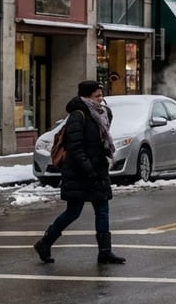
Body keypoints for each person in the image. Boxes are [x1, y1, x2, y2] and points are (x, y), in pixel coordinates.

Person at [33, 81, 124, 264]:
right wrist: (87, 168)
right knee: (73, 211)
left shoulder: (100, 114)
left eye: (101, 95)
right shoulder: (78, 115)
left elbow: (101, 139)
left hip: (97, 169)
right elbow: (75, 146)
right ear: (86, 97)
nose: (101, 99)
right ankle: (45, 242)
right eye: (97, 96)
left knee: (103, 208)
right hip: (79, 172)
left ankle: (105, 251)